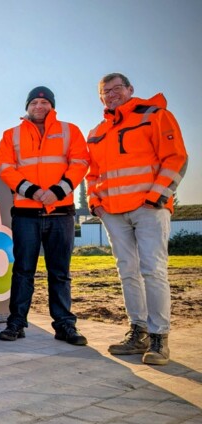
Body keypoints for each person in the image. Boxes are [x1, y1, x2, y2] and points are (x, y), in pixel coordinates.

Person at [86, 73, 188, 366]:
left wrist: (156, 196)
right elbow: (92, 174)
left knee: (152, 270)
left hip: (148, 208)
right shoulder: (96, 132)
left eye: (117, 88)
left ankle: (159, 338)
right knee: (127, 271)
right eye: (105, 91)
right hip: (113, 213)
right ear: (101, 98)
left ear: (130, 89)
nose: (112, 94)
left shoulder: (155, 115)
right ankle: (138, 331)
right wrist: (95, 203)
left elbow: (176, 157)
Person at [0, 86, 90, 345]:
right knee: (23, 270)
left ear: (52, 106)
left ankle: (64, 325)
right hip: (26, 214)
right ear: (27, 106)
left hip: (61, 213)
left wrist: (58, 191)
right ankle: (16, 323)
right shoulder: (10, 135)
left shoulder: (71, 131)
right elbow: (5, 167)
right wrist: (34, 191)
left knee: (60, 272)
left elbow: (80, 162)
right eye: (34, 102)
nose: (39, 106)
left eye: (44, 102)